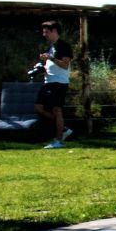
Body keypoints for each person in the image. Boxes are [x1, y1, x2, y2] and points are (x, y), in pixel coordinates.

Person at [31, 20, 74, 148]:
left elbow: (65, 65)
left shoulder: (64, 46)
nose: (44, 34)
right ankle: (63, 129)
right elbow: (49, 65)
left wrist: (51, 58)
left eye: (47, 32)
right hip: (48, 81)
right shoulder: (49, 46)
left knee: (57, 110)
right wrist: (40, 67)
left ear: (55, 31)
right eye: (43, 32)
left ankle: (59, 140)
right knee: (38, 108)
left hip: (59, 82)